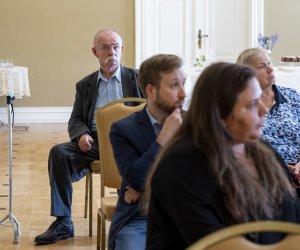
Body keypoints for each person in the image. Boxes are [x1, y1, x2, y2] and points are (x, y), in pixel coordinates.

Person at [144, 62, 300, 250]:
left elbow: (292, 216)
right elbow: (216, 243)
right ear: (219, 114)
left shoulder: (263, 153)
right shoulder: (181, 166)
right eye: (252, 105)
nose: (264, 110)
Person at [34, 29, 142, 245]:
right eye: (105, 47)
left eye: (115, 47)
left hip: (131, 142)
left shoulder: (138, 78)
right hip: (96, 141)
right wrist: (81, 134)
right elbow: (75, 119)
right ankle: (64, 222)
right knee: (59, 153)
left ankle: (133, 217)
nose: (111, 52)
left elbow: (151, 112)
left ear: (122, 49)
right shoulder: (85, 85)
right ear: (95, 52)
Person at [108, 54, 186, 250]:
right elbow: (136, 178)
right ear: (151, 90)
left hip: (187, 214)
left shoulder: (195, 122)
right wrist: (165, 136)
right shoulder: (123, 129)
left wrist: (146, 187)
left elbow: (208, 175)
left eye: (183, 83)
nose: (183, 93)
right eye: (174, 85)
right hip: (141, 218)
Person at [237, 48, 300, 183]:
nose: (270, 68)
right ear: (247, 75)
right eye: (261, 66)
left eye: (269, 63)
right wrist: (279, 165)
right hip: (265, 171)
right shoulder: (243, 104)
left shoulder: (291, 95)